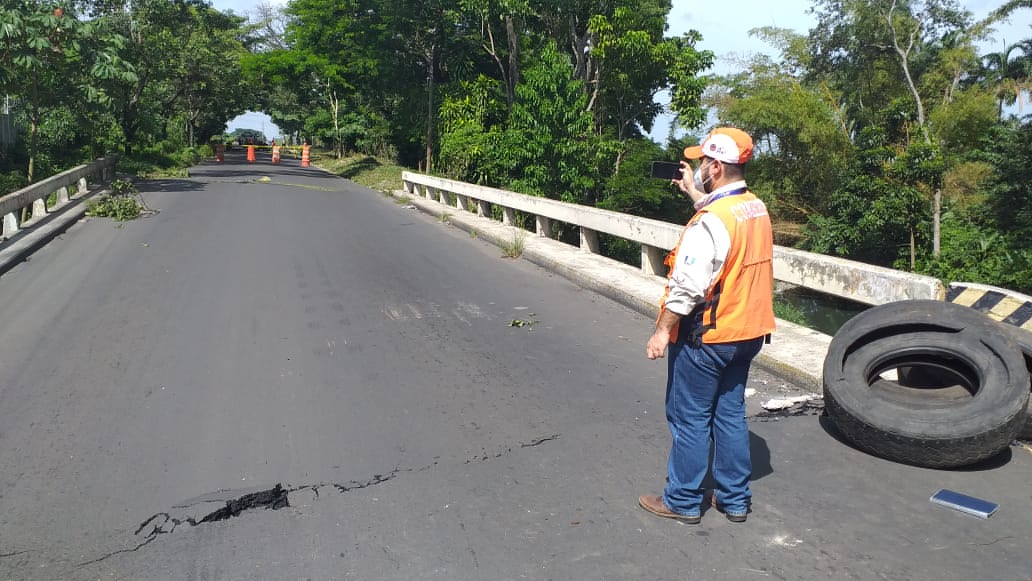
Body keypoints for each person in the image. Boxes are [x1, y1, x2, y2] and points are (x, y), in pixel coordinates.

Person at [639, 127, 775, 525]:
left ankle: (682, 500)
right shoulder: (754, 207)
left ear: (716, 167)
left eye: (702, 163)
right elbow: (726, 236)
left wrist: (662, 330)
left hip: (707, 337)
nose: (697, 167)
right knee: (730, 414)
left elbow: (687, 286)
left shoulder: (710, 223)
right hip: (748, 332)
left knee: (690, 418)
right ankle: (734, 499)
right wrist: (693, 195)